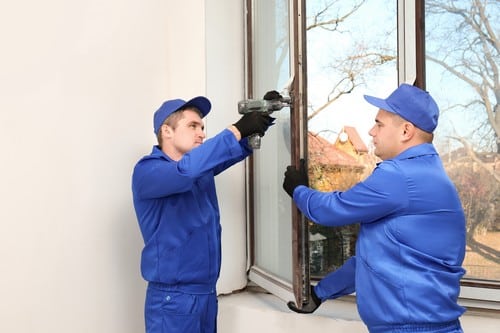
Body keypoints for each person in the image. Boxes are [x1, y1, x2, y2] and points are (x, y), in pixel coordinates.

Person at [283, 84, 466, 333]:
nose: (371, 132)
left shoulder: (401, 176)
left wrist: (299, 190)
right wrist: (319, 293)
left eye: (379, 124)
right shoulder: (427, 172)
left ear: (405, 131)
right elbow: (373, 259)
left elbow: (332, 209)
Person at [132, 95, 274, 333]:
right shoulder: (148, 171)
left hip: (206, 294)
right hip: (173, 300)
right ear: (167, 131)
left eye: (202, 127)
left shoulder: (199, 171)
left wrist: (264, 118)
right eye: (192, 126)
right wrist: (237, 129)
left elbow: (227, 153)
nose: (201, 133)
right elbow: (186, 171)